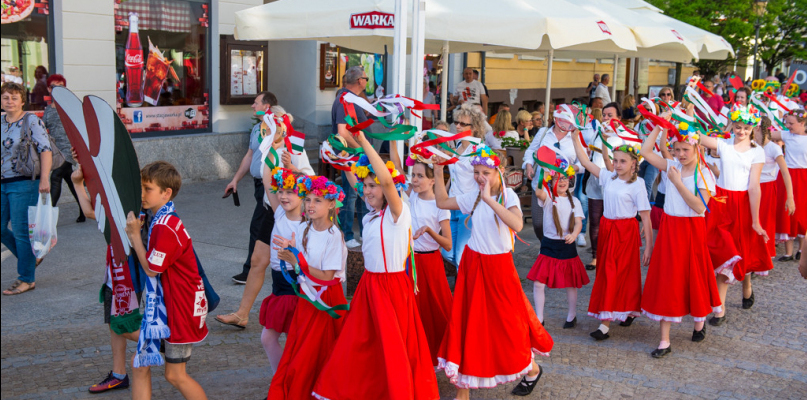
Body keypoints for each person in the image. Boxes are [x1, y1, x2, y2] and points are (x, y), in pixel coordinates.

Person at [313, 131, 439, 400]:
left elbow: (385, 179)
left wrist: (364, 142)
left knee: (391, 346)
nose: (368, 190)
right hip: (369, 285)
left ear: (387, 186)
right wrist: (348, 150)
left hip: (392, 287)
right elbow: (353, 176)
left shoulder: (398, 212)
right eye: (365, 186)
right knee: (362, 342)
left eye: (373, 186)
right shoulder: (372, 215)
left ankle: (395, 391)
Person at [433, 145, 553, 398]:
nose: (479, 177)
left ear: (498, 172)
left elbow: (518, 224)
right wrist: (437, 168)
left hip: (499, 268)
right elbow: (442, 201)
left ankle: (531, 368)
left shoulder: (509, 196)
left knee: (508, 324)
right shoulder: (473, 196)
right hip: (473, 265)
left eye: (485, 172)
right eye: (476, 172)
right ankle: (462, 390)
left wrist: (488, 199)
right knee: (467, 323)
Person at [215, 108, 314, 330]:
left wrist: (292, 168)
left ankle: (302, 312)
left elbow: (313, 182)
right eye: (265, 127)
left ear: (281, 127)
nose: (265, 130)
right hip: (272, 210)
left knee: (294, 264)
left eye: (269, 127)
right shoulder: (267, 146)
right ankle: (242, 314)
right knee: (258, 261)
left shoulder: (294, 147)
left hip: (293, 215)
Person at [124, 161, 208, 400]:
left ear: (166, 193)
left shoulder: (165, 226)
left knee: (175, 375)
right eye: (140, 187)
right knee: (139, 363)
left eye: (147, 188)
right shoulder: (161, 218)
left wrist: (134, 237)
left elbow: (151, 268)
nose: (141, 194)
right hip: (167, 308)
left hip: (179, 309)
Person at [639, 120, 722, 359]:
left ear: (697, 148)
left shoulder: (704, 173)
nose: (681, 154)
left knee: (693, 276)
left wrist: (676, 182)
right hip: (670, 228)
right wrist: (659, 126)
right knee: (668, 279)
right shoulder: (671, 164)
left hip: (692, 229)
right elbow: (645, 152)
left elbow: (699, 207)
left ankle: (699, 321)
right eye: (677, 149)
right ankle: (664, 340)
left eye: (686, 149)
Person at [267, 175, 348, 399]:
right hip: (307, 297)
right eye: (308, 199)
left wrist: (297, 261)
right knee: (301, 347)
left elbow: (326, 276)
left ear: (332, 204)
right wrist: (293, 252)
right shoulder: (305, 228)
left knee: (319, 350)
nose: (310, 205)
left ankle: (319, 390)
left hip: (326, 300)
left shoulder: (334, 236)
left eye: (318, 200)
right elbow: (303, 266)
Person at [572, 133, 652, 341]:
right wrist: (575, 138)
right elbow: (585, 162)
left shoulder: (638, 184)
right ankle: (622, 312)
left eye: (622, 161)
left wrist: (649, 248)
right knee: (607, 272)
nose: (617, 165)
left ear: (634, 164)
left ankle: (606, 322)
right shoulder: (608, 177)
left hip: (626, 230)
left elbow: (645, 217)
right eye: (615, 161)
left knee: (623, 273)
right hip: (608, 228)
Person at [70, 160, 142, 394]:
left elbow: (93, 211)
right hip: (116, 273)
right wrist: (78, 179)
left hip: (130, 276)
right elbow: (94, 211)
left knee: (122, 324)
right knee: (115, 324)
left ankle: (168, 342)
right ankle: (119, 373)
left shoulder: (130, 198)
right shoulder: (118, 191)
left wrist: (78, 183)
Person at [699, 105, 772, 326]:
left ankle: (746, 286)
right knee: (723, 253)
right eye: (738, 127)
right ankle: (719, 309)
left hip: (740, 205)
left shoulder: (757, 151)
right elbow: (697, 136)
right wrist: (684, 114)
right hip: (720, 203)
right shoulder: (723, 145)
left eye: (746, 127)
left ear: (753, 128)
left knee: (739, 253)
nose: (741, 131)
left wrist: (756, 220)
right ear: (732, 126)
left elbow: (754, 187)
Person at [392, 143, 453, 366]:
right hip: (409, 262)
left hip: (430, 264)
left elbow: (447, 244)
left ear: (432, 180)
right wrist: (393, 138)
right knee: (412, 311)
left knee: (437, 310)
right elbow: (396, 167)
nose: (414, 180)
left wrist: (429, 231)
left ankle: (444, 353)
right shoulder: (411, 196)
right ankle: (415, 353)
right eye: (413, 175)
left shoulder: (440, 206)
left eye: (419, 176)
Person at [2, 82, 53, 296]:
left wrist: (45, 178)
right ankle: (32, 258)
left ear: (23, 100)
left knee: (22, 231)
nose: (9, 101)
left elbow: (45, 149)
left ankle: (26, 278)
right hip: (2, 182)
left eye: (14, 97)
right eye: (5, 97)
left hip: (25, 181)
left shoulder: (31, 120)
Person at [223, 91, 279, 284]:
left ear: (267, 107)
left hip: (271, 187)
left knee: (259, 227)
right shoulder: (257, 129)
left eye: (256, 103)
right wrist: (235, 180)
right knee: (267, 227)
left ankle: (250, 271)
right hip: (258, 186)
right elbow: (249, 157)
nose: (252, 106)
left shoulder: (279, 129)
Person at [527, 155, 588, 328]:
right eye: (556, 179)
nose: (561, 182)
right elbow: (538, 191)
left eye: (564, 179)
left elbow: (578, 222)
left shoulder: (574, 200)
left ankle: (572, 315)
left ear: (569, 180)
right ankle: (539, 317)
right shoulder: (547, 197)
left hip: (567, 246)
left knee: (571, 283)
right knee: (539, 283)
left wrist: (575, 235)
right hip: (549, 245)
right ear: (550, 181)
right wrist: (542, 176)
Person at [523, 105, 583, 242]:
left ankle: (557, 247)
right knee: (538, 223)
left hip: (564, 185)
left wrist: (571, 168)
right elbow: (531, 151)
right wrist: (529, 165)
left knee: (563, 222)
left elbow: (583, 162)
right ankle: (545, 243)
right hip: (541, 184)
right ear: (555, 119)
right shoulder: (544, 132)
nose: (565, 124)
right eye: (562, 120)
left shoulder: (574, 136)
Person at [443, 103, 487, 268]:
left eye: (463, 124)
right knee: (447, 252)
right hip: (451, 205)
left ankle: (466, 290)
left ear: (474, 127)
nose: (458, 126)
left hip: (468, 208)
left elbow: (490, 178)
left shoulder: (480, 150)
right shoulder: (457, 147)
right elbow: (454, 175)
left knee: (462, 255)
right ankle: (469, 280)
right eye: (457, 123)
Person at [333, 65, 370, 248]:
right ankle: (347, 235)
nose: (366, 81)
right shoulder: (344, 99)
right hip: (352, 155)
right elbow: (342, 131)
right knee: (350, 195)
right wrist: (361, 149)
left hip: (358, 156)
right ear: (359, 81)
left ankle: (365, 232)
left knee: (363, 193)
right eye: (366, 78)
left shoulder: (352, 98)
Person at [580, 103, 620, 270]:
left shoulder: (625, 135)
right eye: (604, 115)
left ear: (619, 118)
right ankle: (596, 256)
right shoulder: (598, 131)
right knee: (595, 220)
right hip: (596, 181)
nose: (605, 118)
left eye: (610, 115)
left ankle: (612, 253)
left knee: (612, 220)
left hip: (614, 181)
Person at [44, 74, 85, 222]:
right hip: (56, 152)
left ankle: (48, 217)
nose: (58, 90)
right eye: (54, 87)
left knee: (55, 177)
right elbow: (44, 130)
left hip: (69, 151)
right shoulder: (48, 110)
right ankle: (83, 210)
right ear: (49, 89)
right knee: (69, 179)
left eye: (61, 87)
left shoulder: (70, 107)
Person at [755, 117, 795, 258]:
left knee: (765, 221)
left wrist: (790, 197)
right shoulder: (752, 145)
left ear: (758, 128)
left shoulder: (773, 148)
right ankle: (752, 256)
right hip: (752, 187)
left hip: (767, 188)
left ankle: (763, 256)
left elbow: (785, 172)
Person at [772, 109, 807, 261]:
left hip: (804, 176)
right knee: (787, 212)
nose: (788, 126)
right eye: (786, 122)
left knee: (802, 213)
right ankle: (788, 251)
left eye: (791, 123)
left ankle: (802, 249)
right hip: (788, 175)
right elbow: (766, 135)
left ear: (802, 123)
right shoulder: (787, 135)